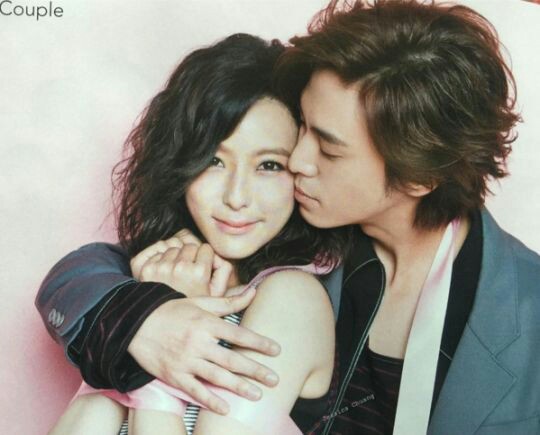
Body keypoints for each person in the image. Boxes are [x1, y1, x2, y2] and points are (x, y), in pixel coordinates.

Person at [37, 1, 540, 434]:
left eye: (328, 148)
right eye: (305, 129)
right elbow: (83, 274)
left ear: (418, 176)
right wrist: (147, 319)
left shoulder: (524, 313)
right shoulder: (299, 224)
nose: (297, 160)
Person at [44, 33, 351, 435]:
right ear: (180, 164)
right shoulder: (152, 268)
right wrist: (151, 305)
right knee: (97, 406)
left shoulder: (293, 298)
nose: (236, 197)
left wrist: (163, 307)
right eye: (214, 161)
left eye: (269, 165)